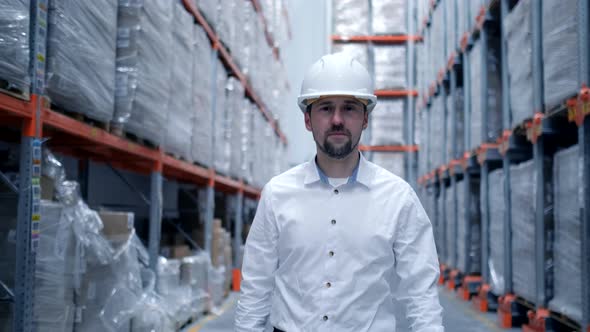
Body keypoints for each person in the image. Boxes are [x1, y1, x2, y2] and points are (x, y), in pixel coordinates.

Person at [235, 53, 444, 332]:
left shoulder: (398, 198)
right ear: (308, 120)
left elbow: (421, 294)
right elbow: (255, 289)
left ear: (365, 119)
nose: (337, 120)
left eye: (349, 108)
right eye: (325, 108)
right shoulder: (277, 195)